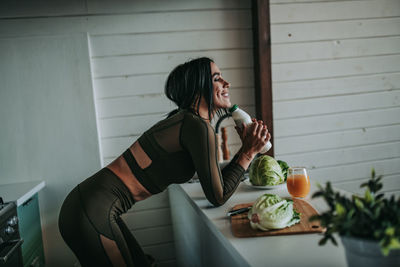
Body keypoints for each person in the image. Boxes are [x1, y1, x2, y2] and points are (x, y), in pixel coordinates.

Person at [58, 57, 271, 267]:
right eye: (217, 78)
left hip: (87, 206)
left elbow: (216, 183)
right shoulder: (196, 125)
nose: (227, 83)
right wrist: (247, 152)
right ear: (198, 88)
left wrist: (247, 150)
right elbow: (218, 196)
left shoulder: (189, 121)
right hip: (91, 210)